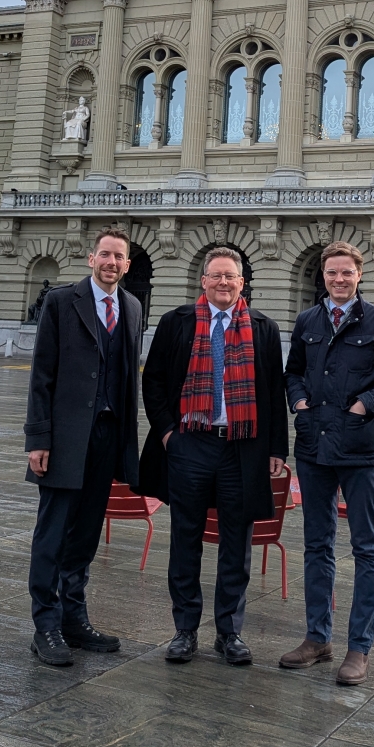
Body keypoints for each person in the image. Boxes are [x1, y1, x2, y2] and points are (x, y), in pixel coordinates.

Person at [139, 246, 287, 665]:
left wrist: (277, 447)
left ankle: (229, 632)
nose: (224, 283)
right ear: (203, 281)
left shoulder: (264, 328)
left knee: (236, 541)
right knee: (185, 537)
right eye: (216, 276)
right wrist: (169, 434)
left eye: (231, 276)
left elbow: (274, 392)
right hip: (191, 443)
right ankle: (184, 630)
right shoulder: (177, 323)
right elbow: (154, 382)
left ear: (243, 283)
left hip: (242, 446)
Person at [281, 241, 374, 686]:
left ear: (359, 276)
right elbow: (294, 371)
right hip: (313, 448)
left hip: (360, 452)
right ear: (323, 277)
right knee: (317, 545)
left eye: (346, 273)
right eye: (331, 273)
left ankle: (359, 648)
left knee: (366, 549)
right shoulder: (308, 320)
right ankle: (317, 638)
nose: (339, 280)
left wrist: (364, 405)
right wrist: (298, 401)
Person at [24, 229, 142, 666]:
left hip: (108, 437)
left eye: (119, 257)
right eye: (105, 254)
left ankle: (74, 617)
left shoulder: (130, 306)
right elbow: (42, 375)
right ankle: (46, 626)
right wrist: (38, 439)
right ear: (92, 258)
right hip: (66, 437)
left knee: (87, 533)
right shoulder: (60, 301)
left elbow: (127, 374)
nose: (112, 262)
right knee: (52, 534)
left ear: (127, 265)